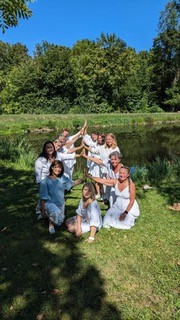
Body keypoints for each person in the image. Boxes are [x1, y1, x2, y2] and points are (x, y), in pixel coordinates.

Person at [39, 160, 84, 234]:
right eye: (56, 167)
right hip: (49, 203)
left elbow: (73, 183)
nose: (58, 169)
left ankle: (48, 216)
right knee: (54, 213)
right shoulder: (45, 181)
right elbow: (43, 198)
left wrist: (83, 178)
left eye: (60, 167)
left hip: (60, 204)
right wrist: (43, 211)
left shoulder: (62, 178)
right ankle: (50, 224)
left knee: (59, 223)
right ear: (52, 168)